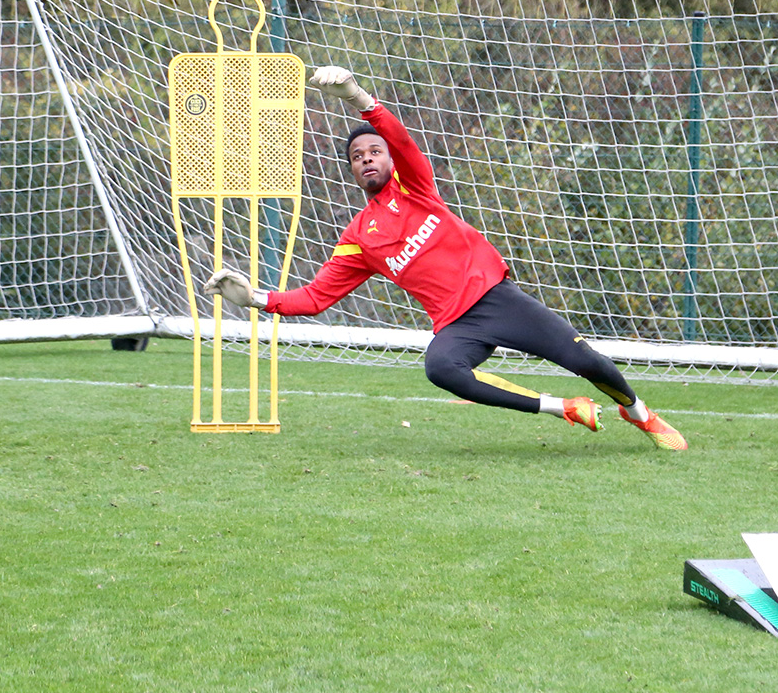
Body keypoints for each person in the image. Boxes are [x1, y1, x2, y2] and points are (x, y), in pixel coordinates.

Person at [203, 66, 687, 450]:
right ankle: (565, 407)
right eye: (358, 156)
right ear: (351, 171)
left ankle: (639, 413)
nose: (368, 158)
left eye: (375, 151)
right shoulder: (358, 238)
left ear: (389, 160)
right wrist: (254, 298)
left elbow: (404, 139)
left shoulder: (415, 185)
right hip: (459, 325)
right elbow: (314, 297)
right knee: (440, 367)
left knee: (587, 360)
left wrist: (357, 98)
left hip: (499, 300)